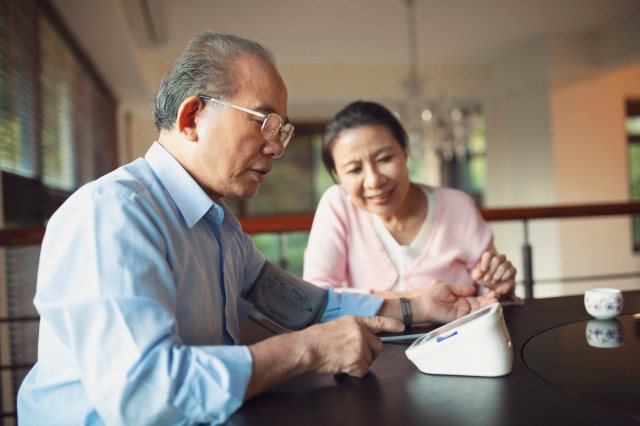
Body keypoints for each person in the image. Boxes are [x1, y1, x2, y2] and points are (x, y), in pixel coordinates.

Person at [17, 33, 497, 425]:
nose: (277, 147)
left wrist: (416, 305)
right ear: (191, 117)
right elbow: (147, 395)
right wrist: (308, 350)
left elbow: (306, 306)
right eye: (266, 122)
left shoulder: (220, 228)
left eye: (283, 130)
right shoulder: (112, 215)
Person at [304, 100, 518, 302]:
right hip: (373, 341)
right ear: (339, 176)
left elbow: (487, 293)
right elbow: (317, 296)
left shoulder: (458, 207)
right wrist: (414, 302)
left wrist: (499, 289)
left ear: (405, 154)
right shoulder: (338, 205)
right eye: (354, 169)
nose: (374, 180)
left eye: (385, 159)